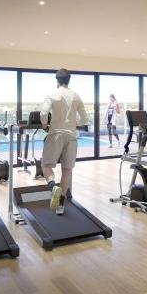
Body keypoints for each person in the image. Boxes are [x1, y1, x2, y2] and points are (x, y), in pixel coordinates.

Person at [40, 69, 89, 215]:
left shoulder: (52, 94)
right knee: (67, 170)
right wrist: (74, 123)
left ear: (57, 80)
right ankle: (60, 205)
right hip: (71, 136)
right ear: (69, 80)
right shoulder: (76, 96)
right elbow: (85, 119)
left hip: (55, 133)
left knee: (46, 165)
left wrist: (44, 125)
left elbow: (43, 113)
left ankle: (52, 187)